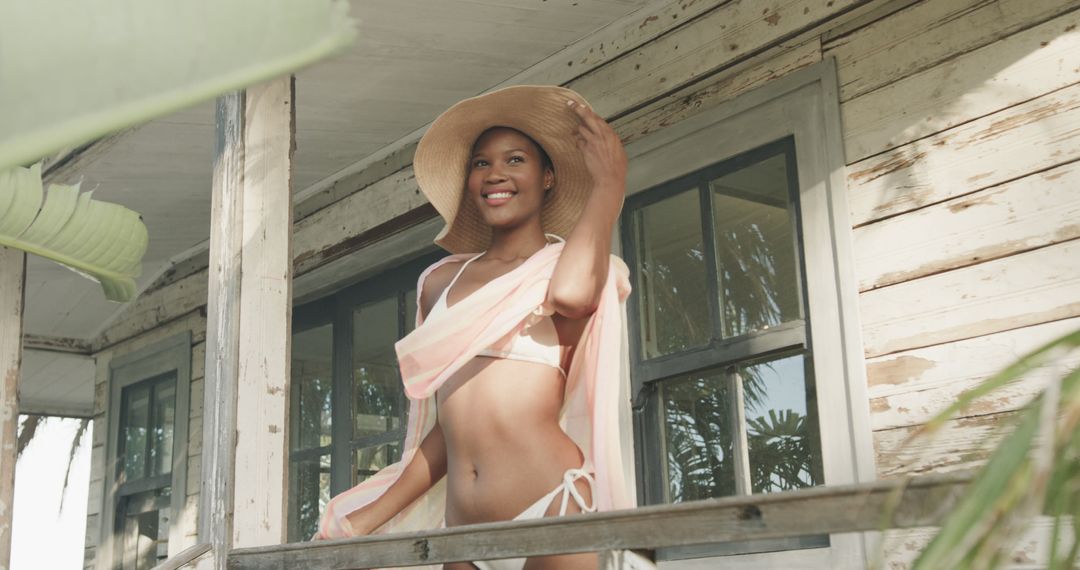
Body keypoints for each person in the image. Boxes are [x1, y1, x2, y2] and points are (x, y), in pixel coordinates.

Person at [315, 85, 634, 570]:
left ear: (547, 178)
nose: (495, 174)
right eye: (480, 163)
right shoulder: (439, 282)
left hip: (553, 509)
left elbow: (571, 296)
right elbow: (451, 428)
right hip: (462, 534)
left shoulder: (571, 270)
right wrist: (365, 521)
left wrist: (608, 186)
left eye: (515, 160)